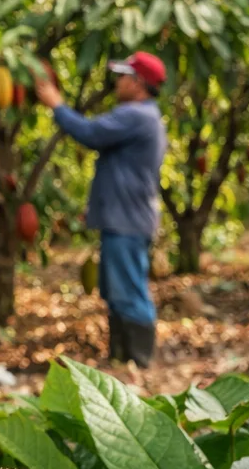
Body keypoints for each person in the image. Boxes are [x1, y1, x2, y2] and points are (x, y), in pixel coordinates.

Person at [35, 51, 167, 368]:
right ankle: (123, 360)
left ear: (137, 83)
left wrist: (56, 104)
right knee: (117, 291)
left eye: (122, 77)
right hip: (122, 219)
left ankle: (138, 361)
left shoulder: (137, 115)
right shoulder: (143, 116)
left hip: (127, 222)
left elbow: (90, 133)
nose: (117, 83)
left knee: (129, 292)